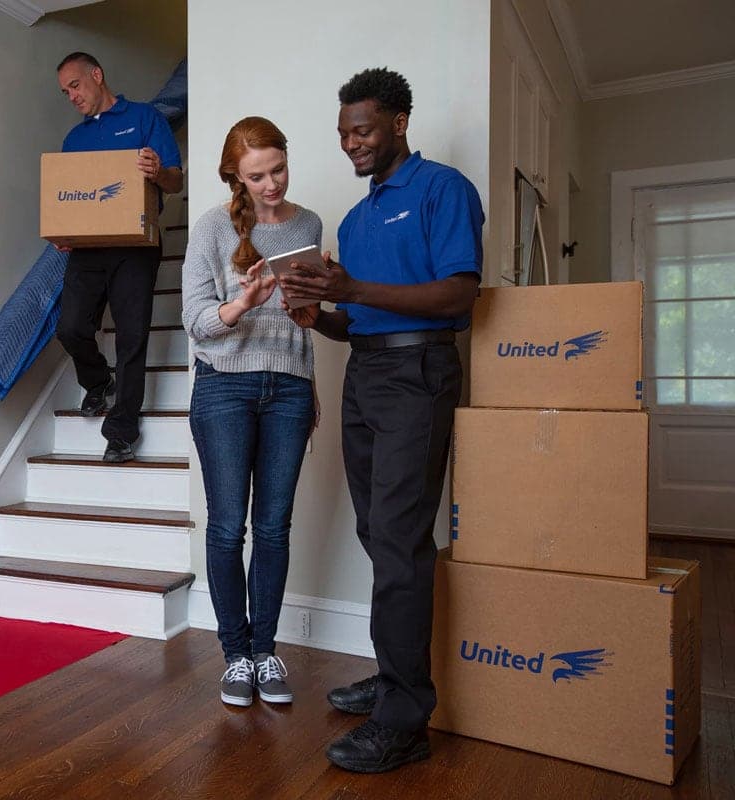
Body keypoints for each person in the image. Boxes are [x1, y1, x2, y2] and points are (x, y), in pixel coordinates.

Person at [278, 68, 484, 772]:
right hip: (366, 372)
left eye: (361, 130)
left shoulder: (443, 189)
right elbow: (360, 319)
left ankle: (405, 719)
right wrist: (319, 315)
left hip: (420, 374)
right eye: (341, 134)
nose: (350, 144)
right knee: (379, 532)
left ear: (399, 122)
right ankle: (396, 674)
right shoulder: (358, 218)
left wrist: (354, 287)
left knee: (399, 541)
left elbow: (461, 294)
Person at [181, 116, 321, 708]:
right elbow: (195, 322)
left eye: (279, 169)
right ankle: (235, 655)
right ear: (236, 177)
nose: (272, 184)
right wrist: (243, 302)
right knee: (225, 525)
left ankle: (266, 652)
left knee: (273, 526)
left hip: (289, 387)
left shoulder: (309, 224)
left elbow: (308, 323)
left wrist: (308, 375)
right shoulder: (212, 228)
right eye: (257, 176)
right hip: (223, 389)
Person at [54, 52, 183, 463]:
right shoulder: (73, 140)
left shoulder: (145, 118)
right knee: (71, 327)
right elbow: (71, 198)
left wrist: (157, 170)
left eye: (75, 85)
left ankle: (122, 431)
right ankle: (97, 381)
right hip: (89, 250)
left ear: (97, 75)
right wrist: (64, 232)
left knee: (131, 337)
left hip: (136, 248)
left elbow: (176, 181)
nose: (71, 96)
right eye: (65, 92)